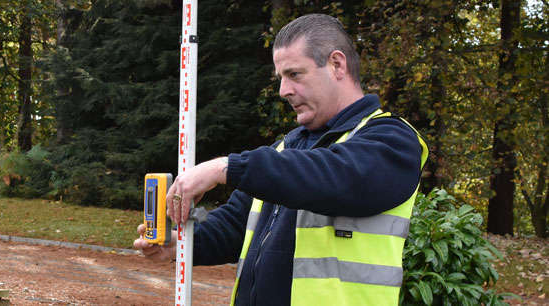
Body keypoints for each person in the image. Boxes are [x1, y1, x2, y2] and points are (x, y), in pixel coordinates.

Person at [133, 14, 428, 306]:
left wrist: (227, 167)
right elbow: (237, 224)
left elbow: (333, 177)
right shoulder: (286, 148)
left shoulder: (392, 141)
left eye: (294, 74)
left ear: (337, 65)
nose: (283, 90)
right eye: (281, 78)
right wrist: (180, 243)